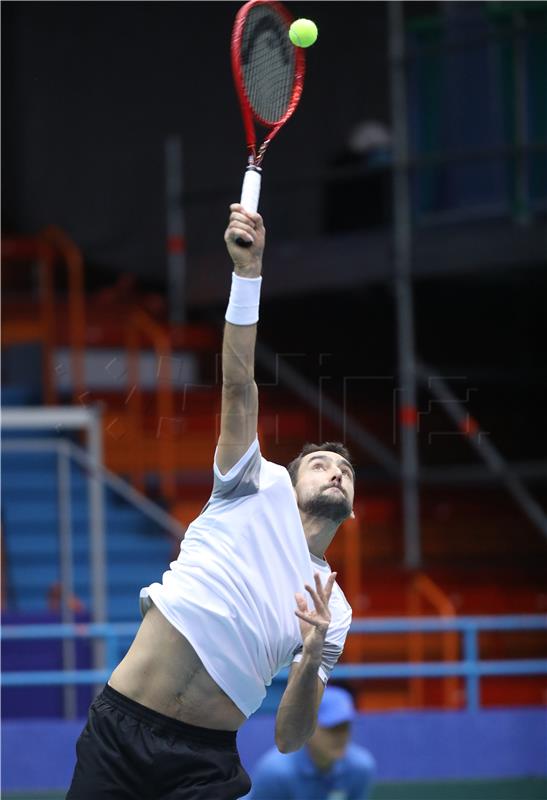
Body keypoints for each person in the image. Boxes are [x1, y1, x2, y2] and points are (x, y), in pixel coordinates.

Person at [66, 204, 356, 800]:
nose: (337, 473)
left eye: (347, 472)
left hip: (204, 766)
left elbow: (290, 737)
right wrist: (247, 274)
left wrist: (306, 659)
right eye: (322, 463)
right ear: (289, 475)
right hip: (120, 731)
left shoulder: (336, 612)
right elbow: (239, 381)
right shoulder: (254, 486)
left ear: (351, 509)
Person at [249, 686, 376, 800]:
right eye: (332, 728)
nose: (341, 737)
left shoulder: (360, 767)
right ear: (306, 726)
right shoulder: (276, 773)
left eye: (345, 727)